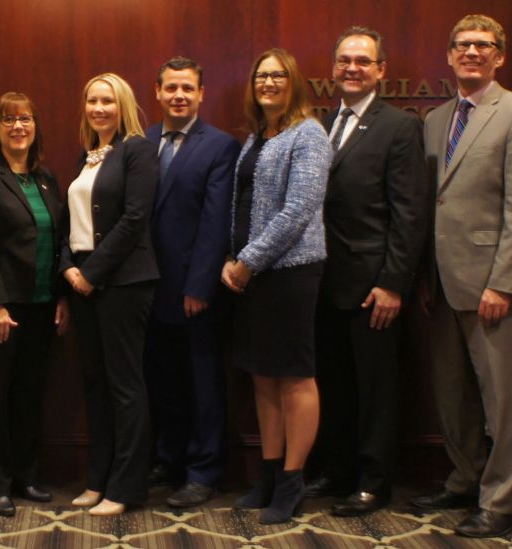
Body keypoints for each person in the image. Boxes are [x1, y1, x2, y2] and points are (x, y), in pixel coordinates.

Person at [411, 14, 512, 539]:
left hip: (496, 286)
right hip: (443, 284)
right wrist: (426, 276)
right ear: (449, 56)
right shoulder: (436, 118)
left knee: (506, 400)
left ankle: (505, 501)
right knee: (452, 394)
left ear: (500, 56)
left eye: (482, 45)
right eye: (462, 45)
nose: (471, 52)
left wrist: (504, 283)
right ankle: (465, 479)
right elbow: (435, 203)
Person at [306, 27, 429, 516]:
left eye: (363, 60)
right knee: (334, 381)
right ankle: (338, 472)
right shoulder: (320, 123)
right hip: (323, 281)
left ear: (380, 70)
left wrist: (393, 283)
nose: (352, 68)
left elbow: (410, 214)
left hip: (373, 283)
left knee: (376, 387)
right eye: (344, 60)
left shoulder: (399, 126)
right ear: (333, 68)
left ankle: (374, 482)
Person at [224, 48, 332, 524]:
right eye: (261, 75)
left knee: (294, 375)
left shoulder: (309, 134)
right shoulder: (257, 137)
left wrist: (247, 261)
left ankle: (292, 481)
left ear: (294, 82)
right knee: (262, 375)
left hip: (290, 272)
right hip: (252, 273)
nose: (268, 82)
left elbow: (297, 210)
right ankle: (268, 475)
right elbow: (245, 203)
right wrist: (235, 257)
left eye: (277, 75)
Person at [0, 92, 70, 517]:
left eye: (25, 119)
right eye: (9, 120)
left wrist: (61, 296)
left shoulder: (46, 178)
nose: (18, 126)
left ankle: (25, 475)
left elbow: (60, 240)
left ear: (35, 126)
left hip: (40, 306)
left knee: (28, 395)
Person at [143, 56, 240, 508]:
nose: (178, 95)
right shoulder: (141, 142)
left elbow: (215, 223)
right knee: (161, 380)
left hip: (193, 290)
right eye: (170, 88)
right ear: (157, 93)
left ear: (201, 94)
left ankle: (203, 470)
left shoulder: (220, 146)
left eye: (187, 88)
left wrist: (199, 287)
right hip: (146, 289)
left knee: (202, 383)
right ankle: (170, 457)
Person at [61, 73, 159, 517]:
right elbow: (73, 222)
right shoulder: (88, 155)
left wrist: (92, 273)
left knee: (125, 387)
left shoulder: (136, 149)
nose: (99, 108)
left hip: (122, 283)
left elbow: (136, 218)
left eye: (108, 101)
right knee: (95, 385)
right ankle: (98, 480)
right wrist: (68, 267)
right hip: (83, 283)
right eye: (92, 100)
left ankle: (126, 486)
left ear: (123, 104)